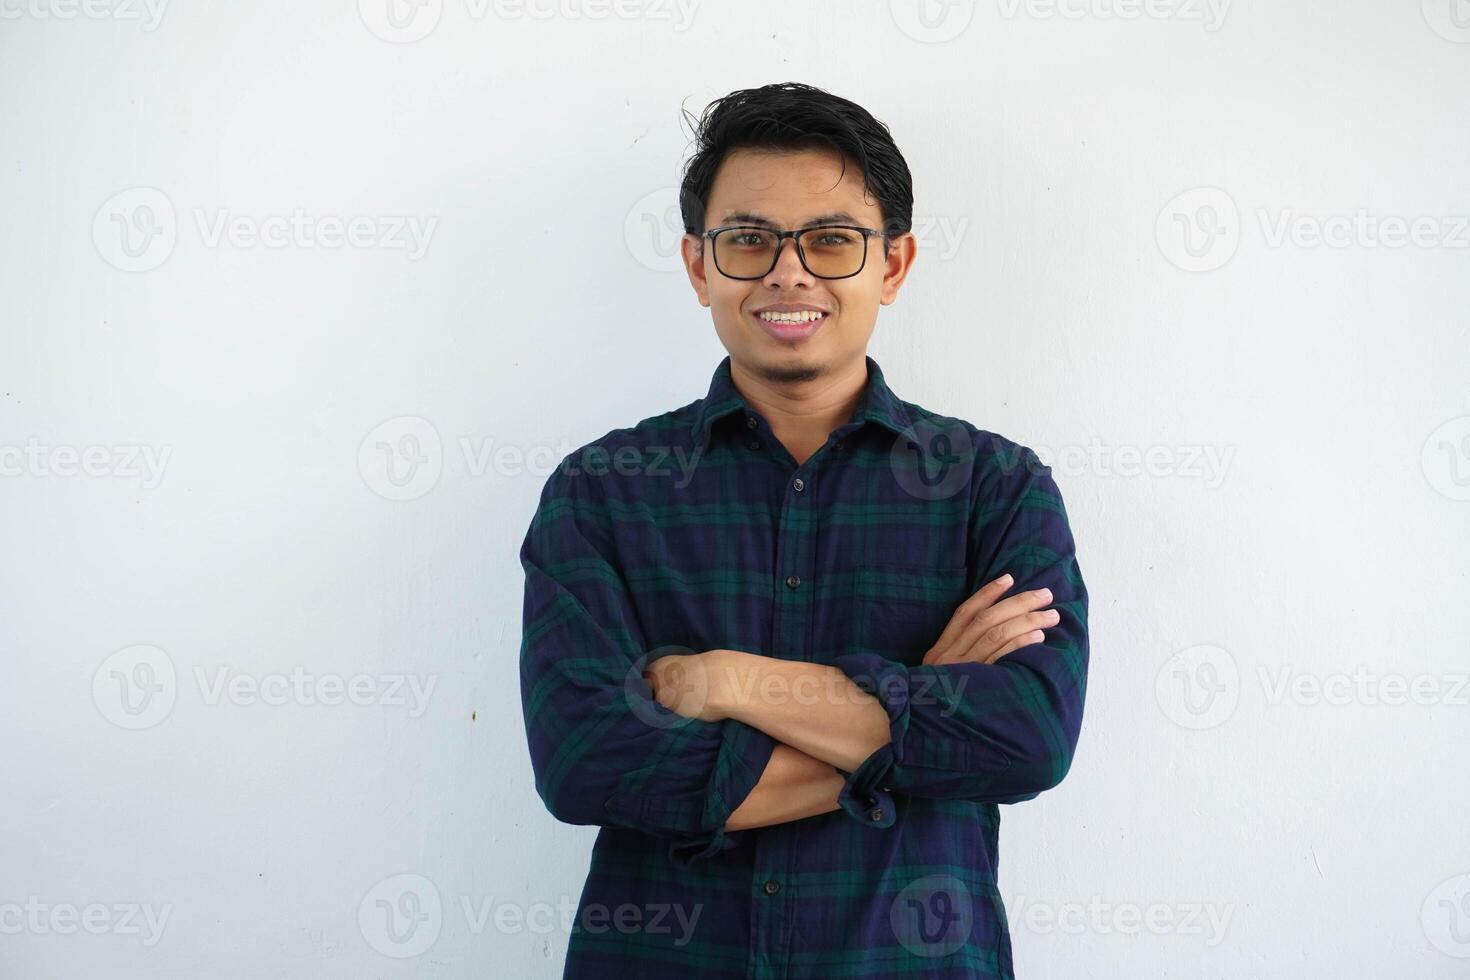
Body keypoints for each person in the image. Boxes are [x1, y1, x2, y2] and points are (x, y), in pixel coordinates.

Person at [518, 81, 1089, 979]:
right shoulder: (602, 494)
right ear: (700, 266)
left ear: (893, 266)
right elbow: (586, 762)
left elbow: (1027, 739)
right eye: (748, 241)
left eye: (832, 240)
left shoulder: (995, 487)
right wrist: (923, 701)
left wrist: (727, 681)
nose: (791, 273)